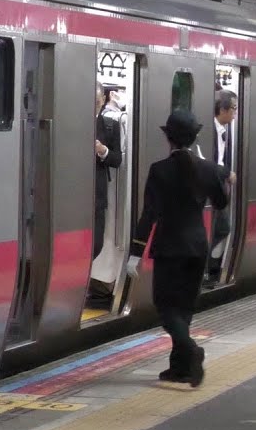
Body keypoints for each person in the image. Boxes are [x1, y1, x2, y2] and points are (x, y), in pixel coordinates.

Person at [127, 110, 228, 387]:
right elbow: (221, 203)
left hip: (169, 247)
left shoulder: (159, 170)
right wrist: (218, 174)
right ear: (194, 137)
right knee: (184, 308)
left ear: (168, 138)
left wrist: (135, 253)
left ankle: (191, 352)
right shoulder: (207, 168)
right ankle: (180, 367)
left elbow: (149, 215)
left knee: (165, 307)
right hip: (197, 246)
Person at [89, 84, 123, 308]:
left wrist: (103, 151)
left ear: (103, 100)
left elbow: (117, 159)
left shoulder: (110, 125)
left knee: (96, 244)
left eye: (97, 100)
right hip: (70, 194)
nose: (95, 105)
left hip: (97, 193)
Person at [203, 90, 238, 285]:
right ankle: (207, 270)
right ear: (222, 110)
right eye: (233, 109)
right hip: (208, 187)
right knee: (213, 229)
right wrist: (226, 173)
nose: (235, 114)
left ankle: (211, 267)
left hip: (219, 188)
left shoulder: (227, 131)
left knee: (222, 228)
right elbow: (207, 162)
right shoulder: (207, 130)